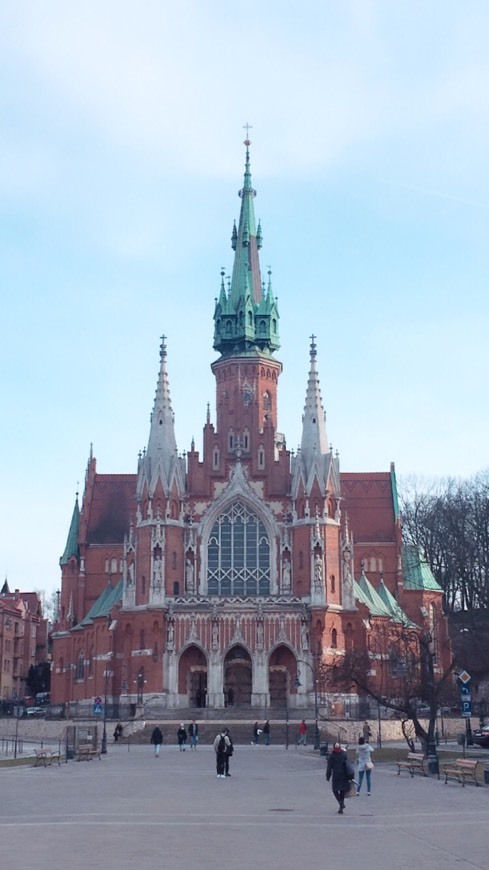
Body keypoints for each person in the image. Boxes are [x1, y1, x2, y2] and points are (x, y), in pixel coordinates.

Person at [326, 742, 353, 814]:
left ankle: (341, 804)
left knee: (335, 790)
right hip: (344, 775)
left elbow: (329, 768)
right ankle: (341, 807)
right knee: (342, 791)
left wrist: (328, 776)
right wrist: (350, 776)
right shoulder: (344, 755)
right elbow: (348, 765)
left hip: (336, 775)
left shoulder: (331, 756)